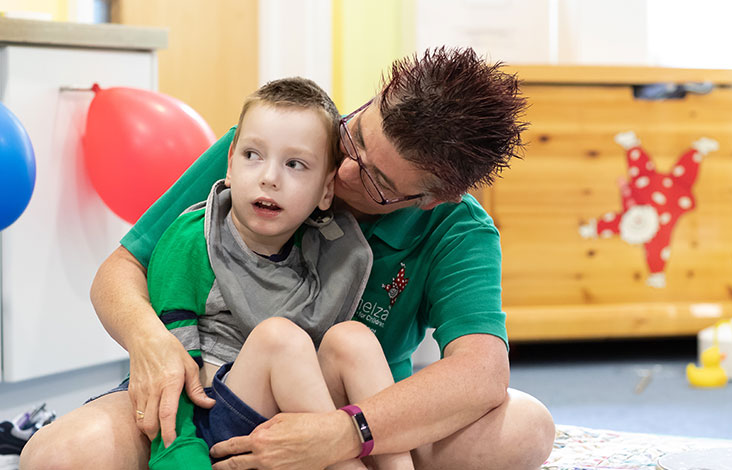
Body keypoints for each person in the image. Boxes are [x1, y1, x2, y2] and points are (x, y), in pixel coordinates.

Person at [20, 47, 556, 470]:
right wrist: (151, 341)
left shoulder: (457, 227)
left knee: (526, 428)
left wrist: (344, 433)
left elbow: (482, 372)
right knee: (56, 456)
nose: (345, 173)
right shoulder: (273, 149)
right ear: (376, 98)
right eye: (356, 138)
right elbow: (121, 269)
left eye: (377, 181)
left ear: (432, 198)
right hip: (220, 386)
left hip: (362, 406)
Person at [139, 77, 413, 470]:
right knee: (279, 337)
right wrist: (183, 459)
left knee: (353, 337)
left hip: (292, 415)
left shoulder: (322, 243)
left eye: (295, 164)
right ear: (230, 162)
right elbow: (170, 374)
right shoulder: (193, 241)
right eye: (253, 155)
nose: (269, 177)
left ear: (325, 192)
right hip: (214, 421)